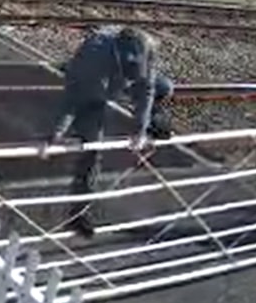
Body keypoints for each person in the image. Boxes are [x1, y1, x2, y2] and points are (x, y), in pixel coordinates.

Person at [38, 26, 175, 237]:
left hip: (113, 82)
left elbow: (146, 90)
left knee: (165, 87)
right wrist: (55, 135)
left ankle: (150, 121)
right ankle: (78, 213)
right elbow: (72, 102)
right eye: (129, 73)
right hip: (92, 89)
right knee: (92, 151)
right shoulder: (93, 60)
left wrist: (140, 129)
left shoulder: (148, 50)